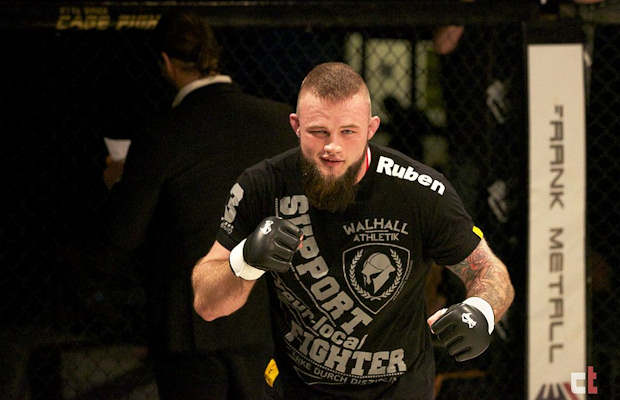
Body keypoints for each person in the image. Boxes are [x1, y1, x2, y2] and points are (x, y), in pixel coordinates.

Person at [192, 62, 515, 399]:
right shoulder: (263, 186)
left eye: (348, 132)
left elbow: (489, 271)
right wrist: (244, 260)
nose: (333, 147)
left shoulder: (419, 191)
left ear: (371, 128)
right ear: (296, 126)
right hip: (300, 388)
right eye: (319, 132)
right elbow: (207, 303)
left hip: (399, 391)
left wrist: (481, 311)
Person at [100, 10, 298, 400]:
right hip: (268, 319)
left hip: (190, 327)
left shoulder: (162, 134)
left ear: (165, 62)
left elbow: (123, 235)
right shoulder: (281, 124)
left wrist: (118, 185)